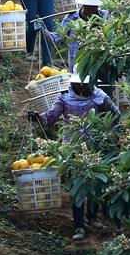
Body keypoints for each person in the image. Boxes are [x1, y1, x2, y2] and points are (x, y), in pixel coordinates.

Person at [28, 71, 119, 240]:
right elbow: (51, 118)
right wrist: (38, 118)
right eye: (79, 84)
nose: (83, 87)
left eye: (85, 84)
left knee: (94, 184)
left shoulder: (100, 96)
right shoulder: (64, 97)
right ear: (74, 83)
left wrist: (110, 133)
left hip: (95, 146)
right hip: (72, 149)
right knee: (77, 187)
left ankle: (92, 217)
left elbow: (116, 114)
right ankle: (79, 226)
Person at [45, 0, 111, 73]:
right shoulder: (72, 18)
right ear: (83, 4)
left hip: (99, 66)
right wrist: (43, 31)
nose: (91, 9)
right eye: (89, 5)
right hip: (77, 66)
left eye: (94, 6)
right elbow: (57, 38)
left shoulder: (105, 17)